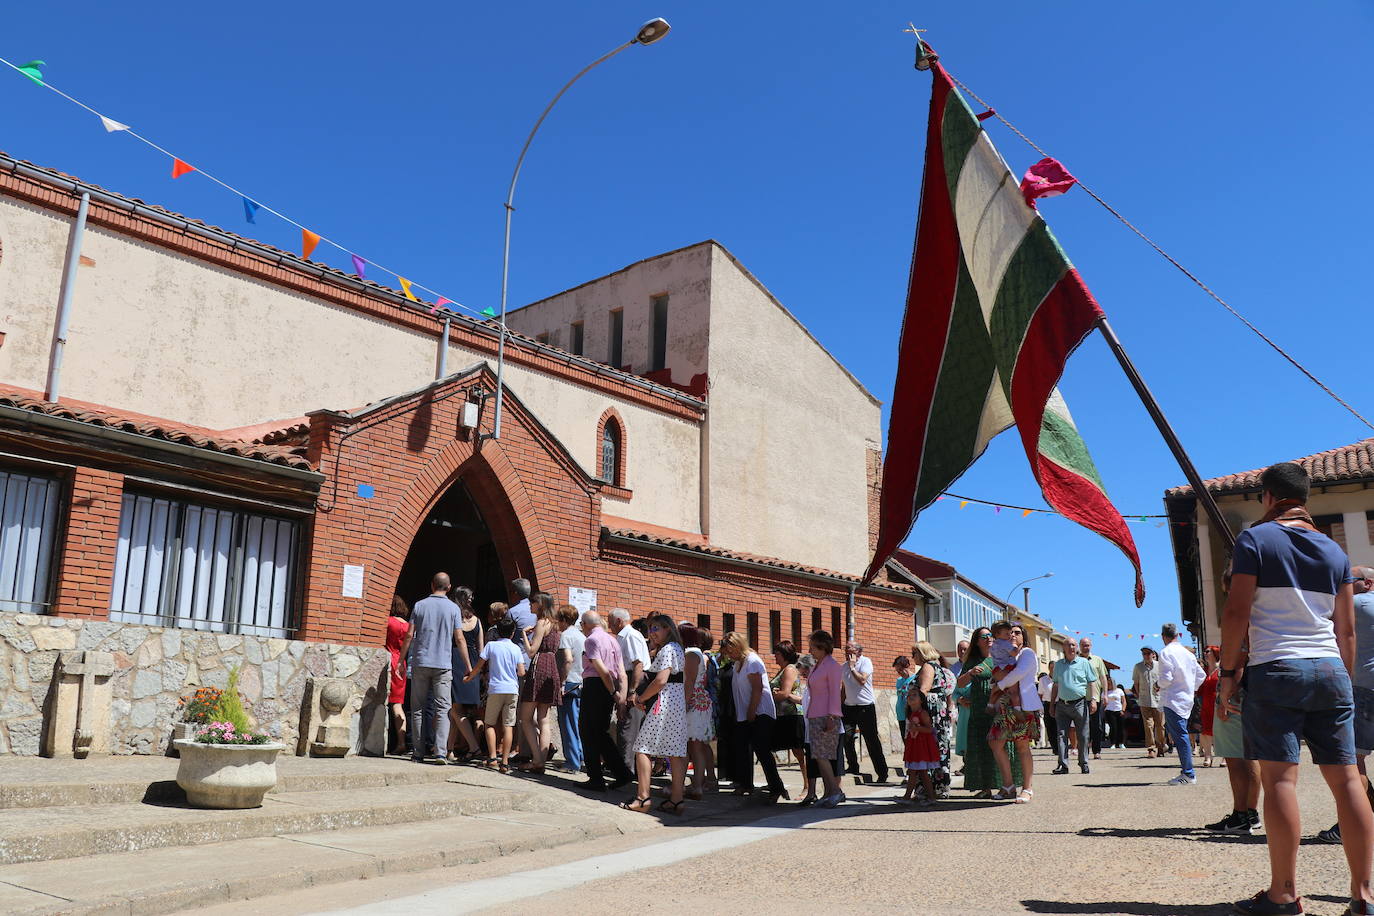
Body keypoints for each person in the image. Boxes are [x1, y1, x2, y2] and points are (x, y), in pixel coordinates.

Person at [1218, 463, 1374, 916]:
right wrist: (1341, 678)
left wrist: (1229, 673)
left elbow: (1236, 613)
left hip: (1277, 668)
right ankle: (1363, 898)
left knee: (1281, 779)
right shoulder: (1335, 553)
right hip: (1330, 669)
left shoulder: (1255, 540)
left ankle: (1284, 895)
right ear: (1305, 497)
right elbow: (1345, 631)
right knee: (1348, 780)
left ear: (1267, 497)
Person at [1317, 566, 1374, 844]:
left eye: (1348, 582)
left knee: (1354, 763)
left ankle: (1348, 826)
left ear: (1367, 583)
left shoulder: (1352, 604)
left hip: (1362, 688)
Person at [624, 614, 688, 814]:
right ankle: (677, 800)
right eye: (650, 629)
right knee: (675, 753)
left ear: (668, 629)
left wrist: (641, 699)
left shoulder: (668, 649)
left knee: (642, 749)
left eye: (656, 629)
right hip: (676, 702)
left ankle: (643, 798)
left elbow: (660, 680)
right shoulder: (677, 648)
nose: (652, 633)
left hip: (664, 701)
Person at [721, 632, 788, 801]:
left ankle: (776, 787)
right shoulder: (738, 663)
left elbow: (757, 689)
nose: (729, 654)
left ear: (737, 646)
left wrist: (751, 710)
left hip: (760, 712)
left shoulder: (752, 661)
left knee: (762, 750)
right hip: (745, 713)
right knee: (742, 748)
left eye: (731, 650)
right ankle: (745, 784)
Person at [407, 573, 466, 764]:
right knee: (443, 708)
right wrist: (469, 666)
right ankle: (440, 752)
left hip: (421, 661)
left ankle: (418, 752)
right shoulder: (453, 608)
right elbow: (459, 638)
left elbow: (409, 635)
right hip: (443, 664)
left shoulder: (419, 605)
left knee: (417, 709)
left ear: (432, 585)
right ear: (449, 588)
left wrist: (401, 660)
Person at [957, 627, 1020, 796]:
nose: (989, 638)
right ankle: (985, 788)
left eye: (990, 635)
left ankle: (1006, 785)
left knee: (1001, 745)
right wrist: (970, 673)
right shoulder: (972, 660)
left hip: (1000, 706)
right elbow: (960, 684)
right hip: (979, 708)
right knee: (981, 747)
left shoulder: (1001, 655)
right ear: (977, 641)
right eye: (984, 636)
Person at [577, 611, 633, 792]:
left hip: (596, 685)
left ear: (586, 624)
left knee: (588, 731)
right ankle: (622, 773)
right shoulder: (613, 640)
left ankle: (596, 778)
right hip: (608, 687)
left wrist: (614, 692)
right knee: (600, 732)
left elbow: (602, 670)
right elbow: (621, 672)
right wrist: (620, 697)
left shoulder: (591, 640)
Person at [464, 614, 526, 772]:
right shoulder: (516, 648)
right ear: (513, 633)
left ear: (498, 631)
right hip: (512, 690)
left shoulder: (491, 646)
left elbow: (479, 666)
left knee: (490, 723)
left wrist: (469, 677)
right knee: (508, 725)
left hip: (496, 689)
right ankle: (505, 762)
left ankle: (492, 758)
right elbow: (521, 672)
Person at [989, 623, 1039, 803]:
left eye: (1017, 633)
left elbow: (1018, 674)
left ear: (1024, 637)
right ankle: (1009, 785)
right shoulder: (1003, 653)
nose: (1012, 635)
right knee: (995, 743)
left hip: (1022, 704)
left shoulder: (1027, 653)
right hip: (1004, 704)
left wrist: (998, 686)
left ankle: (1027, 788)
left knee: (1022, 746)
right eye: (1010, 632)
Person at [515, 595, 561, 774]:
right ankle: (540, 760)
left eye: (532, 603)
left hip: (539, 666)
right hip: (552, 668)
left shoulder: (542, 622)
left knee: (525, 718)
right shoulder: (556, 624)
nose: (530, 606)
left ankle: (537, 760)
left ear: (539, 604)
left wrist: (524, 636)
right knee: (544, 719)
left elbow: (532, 651)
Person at [1156, 623, 1205, 786]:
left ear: (1164, 636)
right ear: (1177, 635)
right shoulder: (1188, 654)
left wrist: (1157, 684)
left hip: (1172, 699)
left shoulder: (1165, 652)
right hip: (1187, 699)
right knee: (1181, 734)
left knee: (1180, 735)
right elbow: (1201, 675)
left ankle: (1188, 773)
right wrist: (1191, 688)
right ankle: (1187, 771)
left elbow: (1166, 679)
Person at [805, 630, 845, 808]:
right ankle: (828, 793)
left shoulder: (832, 666)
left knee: (822, 755)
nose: (810, 650)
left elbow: (835, 693)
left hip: (827, 715)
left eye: (813, 646)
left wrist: (832, 716)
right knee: (818, 755)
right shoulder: (817, 665)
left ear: (822, 647)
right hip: (815, 715)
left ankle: (836, 791)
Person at [841, 641, 890, 784]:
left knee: (871, 740)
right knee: (846, 737)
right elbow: (843, 688)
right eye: (845, 650)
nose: (847, 653)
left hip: (865, 707)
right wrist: (839, 704)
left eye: (850, 651)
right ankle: (853, 766)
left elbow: (862, 680)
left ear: (859, 652)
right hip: (849, 707)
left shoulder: (865, 662)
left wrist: (852, 668)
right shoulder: (843, 667)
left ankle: (882, 772)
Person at [914, 641, 955, 799]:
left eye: (915, 653)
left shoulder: (928, 666)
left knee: (929, 748)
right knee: (938, 749)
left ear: (922, 653)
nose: (913, 657)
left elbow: (924, 689)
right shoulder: (936, 666)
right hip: (937, 712)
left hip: (931, 714)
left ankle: (930, 789)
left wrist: (916, 712)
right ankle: (937, 788)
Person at [610, 608, 650, 769]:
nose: (610, 626)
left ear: (619, 621)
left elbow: (638, 664)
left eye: (611, 621)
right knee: (626, 726)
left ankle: (626, 770)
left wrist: (632, 691)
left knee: (628, 727)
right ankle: (626, 769)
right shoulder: (623, 636)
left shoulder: (630, 636)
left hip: (634, 681)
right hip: (628, 680)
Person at [1050, 639, 1097, 776]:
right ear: (1063, 647)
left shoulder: (1084, 663)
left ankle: (1084, 763)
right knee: (1061, 735)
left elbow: (1092, 682)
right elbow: (1055, 685)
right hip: (1062, 705)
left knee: (1083, 735)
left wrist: (1093, 700)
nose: (1071, 647)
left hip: (1080, 704)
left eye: (1073, 645)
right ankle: (1063, 765)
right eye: (1068, 645)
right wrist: (1052, 704)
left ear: (1076, 647)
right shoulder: (1058, 665)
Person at [447, 586, 483, 761]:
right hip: (474, 662)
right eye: (470, 597)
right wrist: (479, 670)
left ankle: (474, 747)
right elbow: (481, 647)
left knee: (455, 708)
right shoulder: (477, 620)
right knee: (457, 708)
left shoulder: (453, 617)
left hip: (456, 659)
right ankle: (449, 749)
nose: (472, 599)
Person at [680, 623, 716, 800]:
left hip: (695, 703)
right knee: (692, 746)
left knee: (694, 746)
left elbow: (690, 681)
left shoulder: (692, 654)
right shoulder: (695, 653)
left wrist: (685, 703)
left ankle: (697, 786)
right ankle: (695, 785)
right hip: (697, 701)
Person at [770, 640, 806, 794]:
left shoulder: (790, 669)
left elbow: (784, 693)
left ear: (784, 654)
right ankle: (776, 784)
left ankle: (807, 786)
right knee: (770, 749)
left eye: (777, 654)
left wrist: (769, 696)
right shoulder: (782, 669)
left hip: (792, 715)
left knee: (799, 753)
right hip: (782, 716)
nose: (774, 657)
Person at [555, 605, 585, 775]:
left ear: (564, 620)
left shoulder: (566, 636)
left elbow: (567, 659)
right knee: (577, 724)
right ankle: (579, 758)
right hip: (581, 683)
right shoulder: (581, 635)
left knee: (568, 724)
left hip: (570, 683)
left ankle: (573, 763)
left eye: (559, 619)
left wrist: (561, 682)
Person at [902, 687, 941, 807]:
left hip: (921, 746)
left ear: (921, 700)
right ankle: (912, 796)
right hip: (914, 746)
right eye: (909, 695)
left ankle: (925, 797)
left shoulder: (922, 713)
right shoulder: (910, 714)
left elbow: (930, 729)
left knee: (918, 772)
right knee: (916, 772)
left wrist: (917, 728)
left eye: (914, 695)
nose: (911, 697)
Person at [385, 595, 412, 756]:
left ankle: (399, 742)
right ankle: (402, 741)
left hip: (390, 660)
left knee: (392, 704)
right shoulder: (408, 625)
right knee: (398, 703)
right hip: (402, 663)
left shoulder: (389, 622)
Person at [1133, 646, 1167, 758]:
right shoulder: (1138, 667)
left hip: (1159, 700)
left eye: (1148, 653)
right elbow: (1136, 683)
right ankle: (1151, 748)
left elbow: (1165, 680)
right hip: (1144, 700)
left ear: (1153, 654)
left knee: (1160, 725)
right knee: (1148, 725)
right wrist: (1139, 695)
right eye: (1144, 654)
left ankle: (1161, 746)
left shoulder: (1160, 666)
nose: (1146, 656)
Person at [1079, 637, 1109, 759]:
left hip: (1095, 697)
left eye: (1087, 645)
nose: (1086, 647)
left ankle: (1097, 751)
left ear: (1091, 646)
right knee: (1082, 726)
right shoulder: (1076, 660)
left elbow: (1103, 678)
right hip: (1080, 697)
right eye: (1083, 645)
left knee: (1097, 726)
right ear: (1080, 646)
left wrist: (1105, 694)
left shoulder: (1098, 660)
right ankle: (1084, 751)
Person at [1197, 646, 1221, 768]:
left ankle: (1224, 757)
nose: (1205, 654)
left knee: (1221, 730)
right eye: (1205, 652)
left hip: (1218, 703)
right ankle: (1208, 755)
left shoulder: (1221, 669)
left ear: (1215, 653)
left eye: (1208, 652)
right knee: (1206, 730)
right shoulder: (1204, 671)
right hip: (1205, 703)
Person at [893, 656, 915, 740]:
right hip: (901, 714)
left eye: (901, 670)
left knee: (913, 740)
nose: (899, 673)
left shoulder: (915, 679)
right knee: (905, 740)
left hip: (911, 714)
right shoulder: (899, 680)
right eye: (897, 671)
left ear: (907, 666)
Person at [1039, 663, 1059, 754]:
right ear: (1049, 668)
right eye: (1051, 668)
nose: (1053, 670)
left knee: (1059, 727)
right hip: (1047, 704)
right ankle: (1055, 748)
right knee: (1050, 727)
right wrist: (1039, 707)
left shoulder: (1061, 679)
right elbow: (1040, 694)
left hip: (1059, 704)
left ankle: (1061, 747)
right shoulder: (1043, 680)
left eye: (1055, 668)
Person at [1103, 678, 1127, 750]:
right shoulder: (1105, 692)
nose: (1109, 685)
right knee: (1113, 727)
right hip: (1109, 711)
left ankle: (1121, 743)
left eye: (1110, 683)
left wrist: (1123, 710)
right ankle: (1113, 743)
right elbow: (1103, 702)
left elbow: (1124, 701)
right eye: (1108, 683)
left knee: (1121, 728)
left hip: (1119, 711)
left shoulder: (1119, 691)